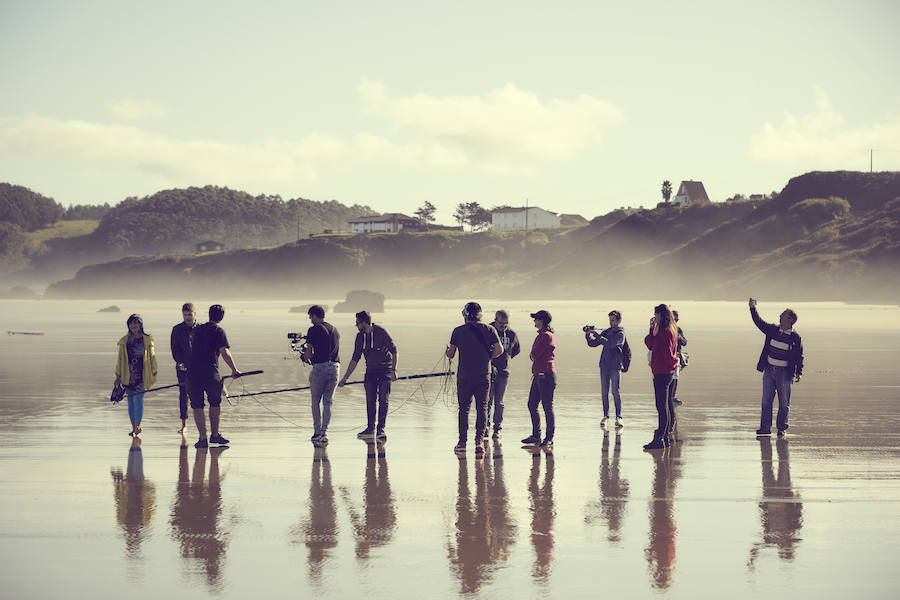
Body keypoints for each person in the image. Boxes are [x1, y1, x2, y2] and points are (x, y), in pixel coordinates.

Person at [446, 302, 502, 454]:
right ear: (480, 315)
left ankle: (462, 442)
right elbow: (499, 350)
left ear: (465, 315)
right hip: (484, 374)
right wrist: (486, 357)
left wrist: (447, 352)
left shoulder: (458, 331)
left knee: (464, 409)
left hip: (464, 376)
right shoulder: (489, 329)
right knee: (482, 408)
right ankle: (479, 442)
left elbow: (451, 354)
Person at [188, 304, 241, 449]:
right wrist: (234, 370)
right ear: (222, 317)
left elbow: (191, 345)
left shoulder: (197, 329)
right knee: (215, 402)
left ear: (209, 314)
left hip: (192, 373)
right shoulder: (218, 331)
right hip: (210, 372)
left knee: (197, 405)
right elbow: (224, 352)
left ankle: (202, 438)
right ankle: (215, 435)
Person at [339, 311, 396, 442]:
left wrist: (394, 370)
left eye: (357, 323)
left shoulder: (381, 332)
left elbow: (395, 352)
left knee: (383, 400)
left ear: (364, 322)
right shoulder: (360, 337)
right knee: (370, 401)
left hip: (385, 371)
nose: (356, 325)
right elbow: (355, 358)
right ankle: (370, 428)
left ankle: (381, 429)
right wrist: (345, 378)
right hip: (370, 371)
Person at [749, 298, 803, 436]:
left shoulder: (795, 337)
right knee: (766, 400)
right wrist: (752, 308)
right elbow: (759, 322)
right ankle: (765, 428)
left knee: (784, 402)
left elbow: (799, 356)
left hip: (784, 373)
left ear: (790, 320)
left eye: (783, 315)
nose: (780, 316)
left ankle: (782, 428)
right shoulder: (773, 330)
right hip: (768, 370)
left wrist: (799, 372)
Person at [115, 314, 158, 437]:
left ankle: (137, 426)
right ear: (128, 325)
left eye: (137, 323)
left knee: (138, 400)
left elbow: (152, 357)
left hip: (142, 374)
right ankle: (134, 427)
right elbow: (120, 359)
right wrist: (117, 376)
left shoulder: (147, 340)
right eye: (132, 323)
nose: (134, 325)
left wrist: (154, 372)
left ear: (140, 325)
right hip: (128, 375)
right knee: (130, 402)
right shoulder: (125, 340)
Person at [304, 305, 341, 444]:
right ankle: (324, 434)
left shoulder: (313, 330)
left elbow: (308, 354)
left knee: (315, 401)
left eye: (310, 317)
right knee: (328, 403)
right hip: (335, 367)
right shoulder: (335, 330)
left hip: (320, 367)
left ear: (315, 315)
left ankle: (316, 432)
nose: (310, 320)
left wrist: (304, 357)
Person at [643, 304, 678, 450]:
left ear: (661, 315)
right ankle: (664, 437)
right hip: (662, 371)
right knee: (663, 406)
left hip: (663, 372)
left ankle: (661, 438)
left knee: (661, 406)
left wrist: (673, 364)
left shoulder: (665, 332)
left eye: (656, 315)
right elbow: (650, 344)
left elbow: (667, 355)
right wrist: (652, 329)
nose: (654, 317)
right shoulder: (664, 330)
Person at [522, 309, 556, 449]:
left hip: (545, 375)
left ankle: (548, 438)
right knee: (532, 404)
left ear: (542, 321)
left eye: (536, 319)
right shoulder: (543, 335)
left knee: (547, 407)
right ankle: (536, 436)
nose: (534, 321)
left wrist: (532, 356)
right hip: (539, 375)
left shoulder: (545, 336)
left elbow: (533, 355)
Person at [585, 310, 626, 429]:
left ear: (619, 321)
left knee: (615, 392)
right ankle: (606, 416)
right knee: (604, 392)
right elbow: (593, 344)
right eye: (610, 320)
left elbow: (611, 344)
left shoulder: (621, 333)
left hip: (615, 366)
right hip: (604, 365)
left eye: (613, 320)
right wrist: (588, 335)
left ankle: (619, 417)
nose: (611, 322)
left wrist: (597, 334)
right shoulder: (606, 332)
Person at [486, 309, 520, 439]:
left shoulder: (511, 334)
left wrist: (506, 358)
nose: (504, 326)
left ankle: (497, 428)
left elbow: (516, 349)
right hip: (488, 371)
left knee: (499, 402)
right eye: (501, 323)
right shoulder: (488, 330)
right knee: (487, 401)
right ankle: (486, 426)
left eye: (506, 323)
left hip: (504, 372)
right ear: (495, 320)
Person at [170, 302, 198, 433]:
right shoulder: (177, 329)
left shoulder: (201, 329)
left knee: (198, 396)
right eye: (185, 314)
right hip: (183, 368)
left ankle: (201, 424)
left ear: (195, 314)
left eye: (190, 314)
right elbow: (175, 349)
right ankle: (184, 424)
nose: (187, 317)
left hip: (199, 368)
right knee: (183, 396)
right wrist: (180, 362)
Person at [670, 310, 687, 407]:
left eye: (677, 319)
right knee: (671, 377)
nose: (676, 321)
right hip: (669, 356)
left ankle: (673, 396)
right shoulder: (665, 329)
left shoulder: (678, 329)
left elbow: (684, 342)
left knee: (676, 377)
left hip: (677, 355)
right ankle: (669, 396)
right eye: (675, 319)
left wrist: (678, 336)